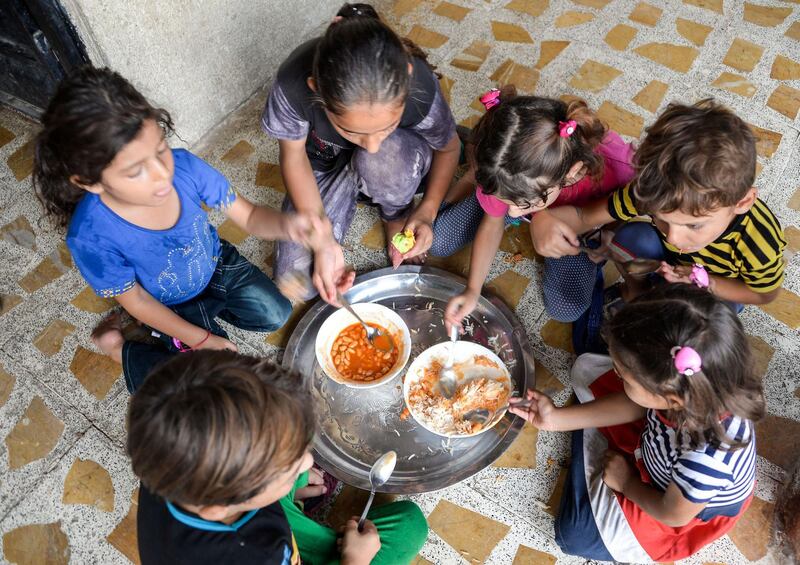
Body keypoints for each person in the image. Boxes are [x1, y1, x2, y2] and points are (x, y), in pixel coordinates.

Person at [33, 66, 345, 391]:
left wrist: (289, 225)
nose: (161, 175)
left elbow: (250, 217)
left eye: (160, 150)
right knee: (201, 380)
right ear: (90, 182)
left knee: (276, 313)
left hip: (217, 264)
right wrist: (203, 338)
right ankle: (119, 347)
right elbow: (137, 299)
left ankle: (209, 315)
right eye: (136, 170)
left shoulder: (185, 167)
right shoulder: (90, 236)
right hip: (165, 304)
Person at [510, 284, 764, 562]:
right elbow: (638, 404)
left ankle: (603, 460)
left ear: (669, 396)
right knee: (583, 369)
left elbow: (673, 513)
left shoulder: (707, 460)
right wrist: (557, 419)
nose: (618, 375)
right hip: (654, 448)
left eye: (624, 377)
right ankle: (597, 450)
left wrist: (627, 483)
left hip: (668, 502)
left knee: (573, 536)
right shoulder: (694, 387)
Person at [128, 350, 428, 564]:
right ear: (222, 505)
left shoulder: (172, 457)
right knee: (410, 527)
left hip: (263, 514)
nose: (309, 462)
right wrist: (354, 558)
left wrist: (288, 481)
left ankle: (289, 496)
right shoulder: (255, 555)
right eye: (289, 466)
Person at [262, 2, 459, 301]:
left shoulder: (419, 85)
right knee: (299, 282)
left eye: (386, 126)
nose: (371, 144)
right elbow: (293, 156)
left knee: (382, 157)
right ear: (316, 89)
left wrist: (427, 211)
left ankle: (394, 213)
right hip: (324, 166)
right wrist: (324, 241)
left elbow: (449, 148)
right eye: (351, 131)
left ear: (407, 75)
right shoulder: (292, 86)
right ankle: (357, 195)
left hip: (397, 162)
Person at [533, 99, 786, 311]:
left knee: (710, 317)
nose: (674, 238)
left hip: (718, 288)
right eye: (661, 219)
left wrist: (708, 283)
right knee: (632, 237)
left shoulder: (759, 241)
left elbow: (763, 294)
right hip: (668, 267)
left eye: (694, 225)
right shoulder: (652, 191)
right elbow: (584, 216)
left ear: (742, 202)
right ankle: (636, 294)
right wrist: (543, 219)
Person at [440, 89, 634, 331]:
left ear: (572, 172)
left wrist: (607, 234)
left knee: (566, 309)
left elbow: (626, 207)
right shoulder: (508, 170)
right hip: (512, 184)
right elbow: (493, 221)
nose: (511, 213)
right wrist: (473, 289)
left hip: (581, 228)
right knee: (439, 241)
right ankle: (479, 177)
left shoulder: (620, 169)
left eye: (524, 204)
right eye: (508, 202)